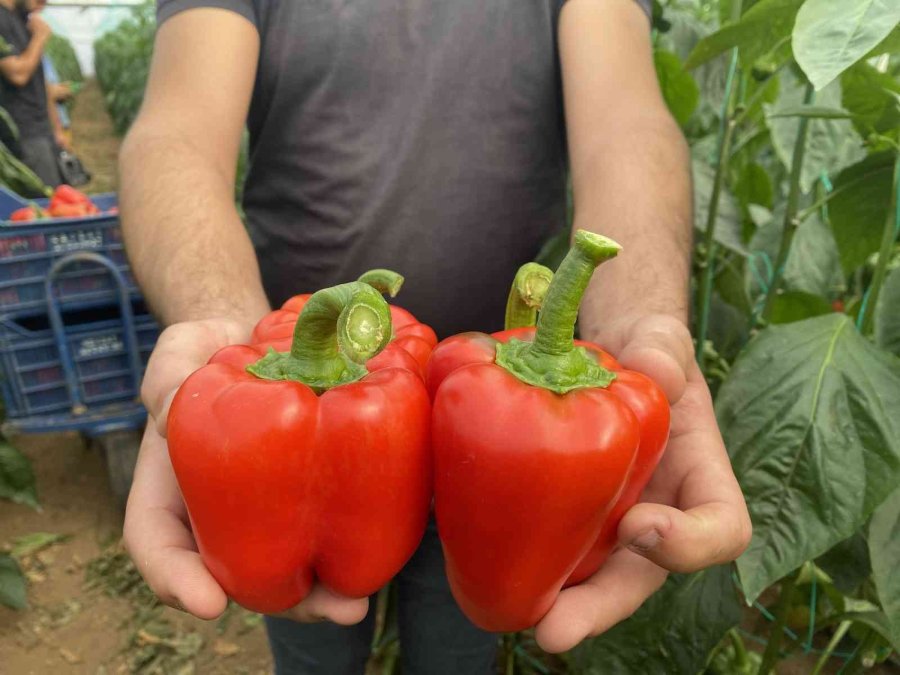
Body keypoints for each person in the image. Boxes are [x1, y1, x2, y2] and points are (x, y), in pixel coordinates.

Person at [121, 1, 753, 673]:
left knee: (459, 642)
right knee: (310, 646)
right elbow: (177, 133)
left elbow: (627, 124)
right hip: (283, 429)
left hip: (501, 444)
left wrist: (637, 319)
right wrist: (221, 328)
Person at [0, 0, 66, 186]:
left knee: (57, 198)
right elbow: (18, 74)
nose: (44, 2)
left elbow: (41, 83)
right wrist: (40, 37)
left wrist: (57, 129)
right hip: (23, 134)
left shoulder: (21, 19)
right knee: (42, 205)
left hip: (41, 131)